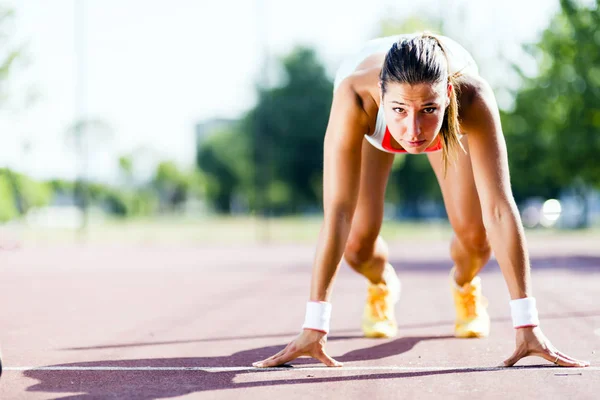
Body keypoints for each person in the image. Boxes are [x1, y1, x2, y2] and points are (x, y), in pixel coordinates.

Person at [252, 32, 590, 369]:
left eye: (428, 109)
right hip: (375, 131)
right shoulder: (355, 95)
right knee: (356, 244)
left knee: (476, 239)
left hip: (451, 124)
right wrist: (315, 325)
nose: (413, 130)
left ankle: (464, 283)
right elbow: (338, 212)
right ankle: (381, 281)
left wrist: (527, 324)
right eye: (399, 109)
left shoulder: (471, 96)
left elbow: (500, 209)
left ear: (446, 95)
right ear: (381, 95)